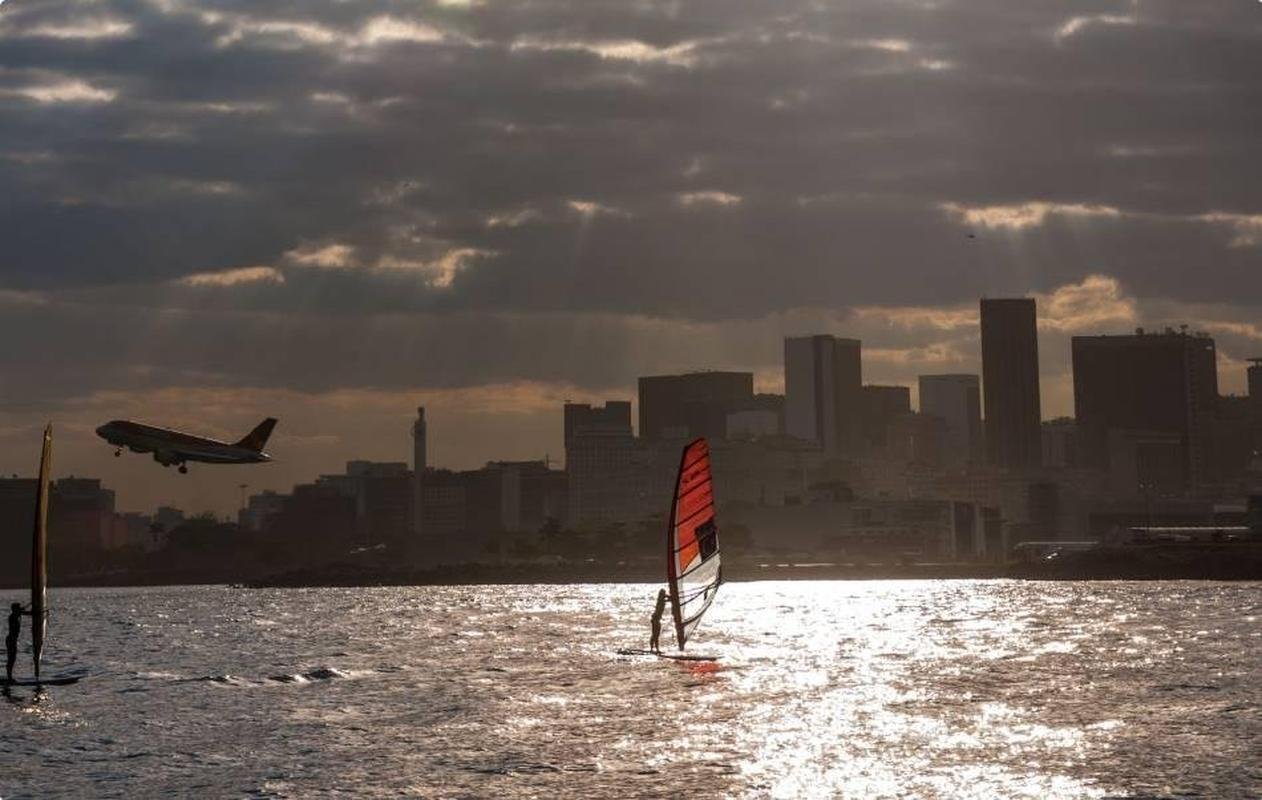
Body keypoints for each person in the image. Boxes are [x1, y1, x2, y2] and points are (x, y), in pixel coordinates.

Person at [6, 602, 32, 684]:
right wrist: (20, 611)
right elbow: (19, 614)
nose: (20, 609)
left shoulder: (17, 615)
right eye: (18, 608)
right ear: (14, 609)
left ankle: (9, 677)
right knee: (11, 659)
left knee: (13, 658)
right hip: (11, 640)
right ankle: (9, 678)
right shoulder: (12, 617)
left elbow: (29, 613)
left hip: (13, 639)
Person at [649, 588, 668, 653]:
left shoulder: (662, 599)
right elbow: (666, 598)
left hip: (657, 619)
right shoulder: (660, 600)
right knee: (655, 634)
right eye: (664, 593)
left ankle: (654, 648)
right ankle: (654, 649)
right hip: (655, 619)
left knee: (656, 634)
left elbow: (667, 598)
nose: (665, 594)